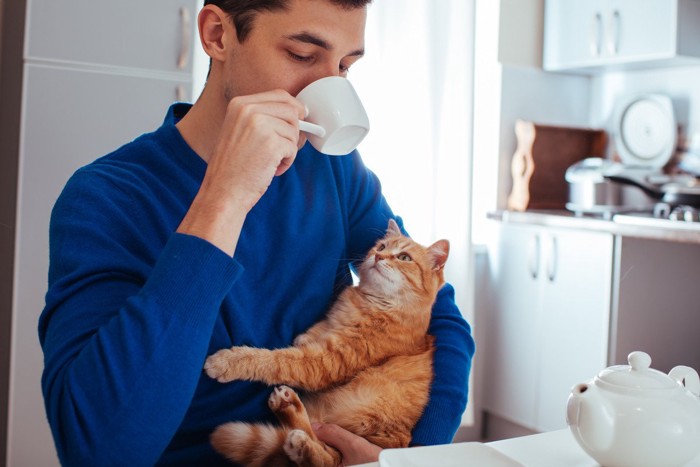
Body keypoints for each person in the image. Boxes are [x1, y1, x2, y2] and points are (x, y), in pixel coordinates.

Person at [38, 0, 476, 465]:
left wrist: (407, 457)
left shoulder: (334, 169)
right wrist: (223, 196)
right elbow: (98, 450)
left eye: (345, 67)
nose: (327, 89)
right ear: (216, 35)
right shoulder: (107, 196)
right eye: (303, 55)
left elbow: (436, 316)